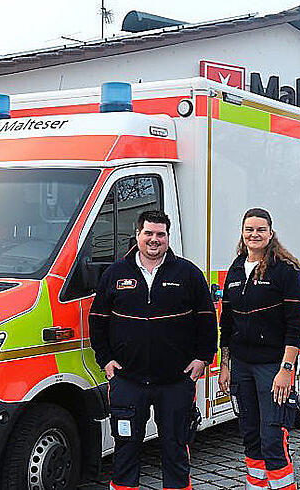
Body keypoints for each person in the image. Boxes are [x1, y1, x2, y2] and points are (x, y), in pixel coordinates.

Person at [89, 210, 217, 490]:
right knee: (125, 450)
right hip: (127, 381)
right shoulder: (116, 273)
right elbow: (97, 321)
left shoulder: (188, 273)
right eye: (148, 233)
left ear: (168, 238)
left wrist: (202, 358)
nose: (154, 240)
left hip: (175, 382)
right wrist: (106, 359)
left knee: (175, 448)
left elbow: (207, 319)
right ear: (137, 235)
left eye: (160, 234)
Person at [218, 208, 300, 490]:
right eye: (249, 229)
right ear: (242, 233)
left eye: (260, 229)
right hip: (242, 367)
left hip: (273, 366)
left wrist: (286, 369)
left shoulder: (286, 270)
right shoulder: (236, 268)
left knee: (272, 438)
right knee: (250, 436)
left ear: (271, 233)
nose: (254, 234)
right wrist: (225, 364)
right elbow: (227, 321)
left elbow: (297, 323)